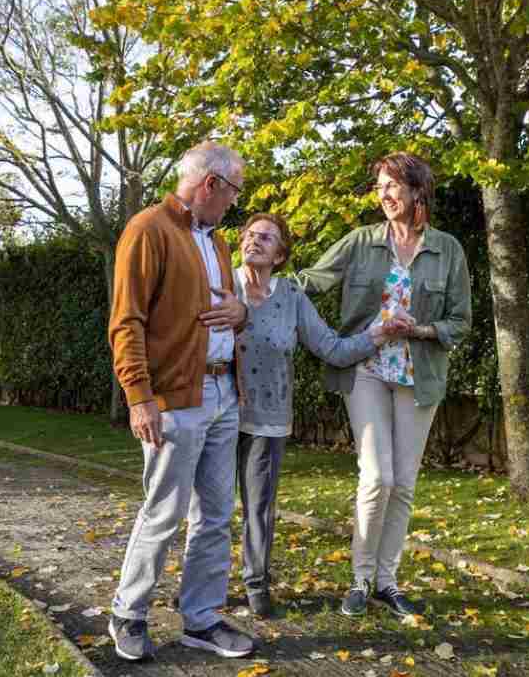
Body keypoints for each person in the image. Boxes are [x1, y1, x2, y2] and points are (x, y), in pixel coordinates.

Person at [294, 152, 471, 617]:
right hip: (367, 367)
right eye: (380, 188)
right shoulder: (360, 242)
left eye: (393, 186)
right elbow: (316, 277)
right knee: (377, 477)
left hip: (419, 374)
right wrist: (262, 281)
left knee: (404, 484)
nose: (385, 195)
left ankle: (387, 582)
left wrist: (421, 330)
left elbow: (460, 321)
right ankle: (360, 577)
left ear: (417, 190)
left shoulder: (448, 249)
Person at [107, 141, 255, 661]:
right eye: (234, 190)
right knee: (165, 511)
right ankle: (128, 612)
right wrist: (139, 397)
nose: (235, 202)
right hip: (173, 399)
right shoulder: (149, 230)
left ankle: (201, 618)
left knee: (216, 514)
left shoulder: (217, 243)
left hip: (221, 393)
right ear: (211, 184)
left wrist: (240, 313)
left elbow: (229, 310)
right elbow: (127, 321)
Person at [234, 213, 412, 618]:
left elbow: (331, 348)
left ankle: (256, 583)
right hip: (217, 410)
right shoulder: (221, 285)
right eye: (249, 234)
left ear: (280, 255)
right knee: (203, 507)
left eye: (266, 238)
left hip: (268, 416)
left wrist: (379, 334)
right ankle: (199, 586)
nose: (254, 241)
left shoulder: (292, 298)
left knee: (259, 506)